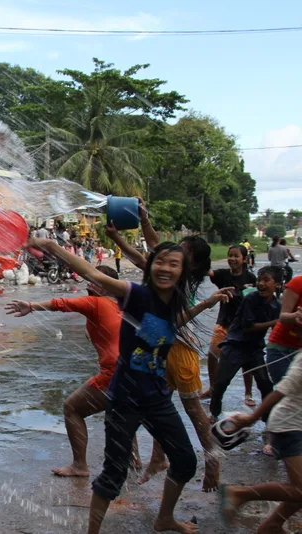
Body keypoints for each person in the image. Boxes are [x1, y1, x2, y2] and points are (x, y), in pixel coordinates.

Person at [28, 237, 230, 534]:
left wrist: (206, 303)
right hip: (125, 398)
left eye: (173, 264)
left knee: (185, 462)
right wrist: (52, 246)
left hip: (157, 398)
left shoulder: (172, 300)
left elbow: (171, 323)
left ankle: (164, 519)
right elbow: (92, 274)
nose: (165, 268)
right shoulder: (136, 294)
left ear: (183, 271)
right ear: (150, 267)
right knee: (114, 473)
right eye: (160, 262)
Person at [106, 203, 220, 492]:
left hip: (180, 349)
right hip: (161, 349)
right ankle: (158, 459)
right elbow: (148, 256)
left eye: (181, 254)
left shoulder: (180, 280)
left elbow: (151, 251)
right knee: (160, 407)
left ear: (191, 265)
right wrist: (119, 238)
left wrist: (142, 221)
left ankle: (213, 460)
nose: (171, 257)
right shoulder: (170, 276)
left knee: (192, 408)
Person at [5, 266, 121, 478]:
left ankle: (79, 466)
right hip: (132, 372)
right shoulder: (122, 306)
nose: (89, 283)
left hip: (113, 373)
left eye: (94, 280)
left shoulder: (96, 303)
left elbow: (62, 303)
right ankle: (135, 459)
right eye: (89, 278)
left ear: (107, 286)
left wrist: (31, 306)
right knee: (119, 412)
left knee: (72, 408)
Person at [220, 349, 302, 532]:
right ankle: (239, 494)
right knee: (300, 489)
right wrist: (251, 418)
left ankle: (272, 525)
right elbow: (279, 391)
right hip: (289, 426)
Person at [209, 267, 281, 428]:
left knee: (265, 384)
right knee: (221, 383)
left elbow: (278, 329)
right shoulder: (251, 299)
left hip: (254, 349)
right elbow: (249, 327)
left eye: (266, 280)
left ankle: (267, 419)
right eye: (259, 279)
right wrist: (277, 321)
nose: (261, 283)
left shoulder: (277, 306)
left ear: (277, 284)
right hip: (235, 346)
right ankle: (214, 412)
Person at [202, 245, 258, 405]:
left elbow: (257, 300)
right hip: (224, 323)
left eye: (236, 256)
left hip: (243, 326)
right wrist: (199, 258)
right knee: (213, 354)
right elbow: (208, 272)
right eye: (230, 255)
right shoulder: (223, 274)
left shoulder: (250, 277)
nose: (232, 259)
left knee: (246, 360)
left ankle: (248, 393)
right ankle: (212, 388)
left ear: (244, 259)